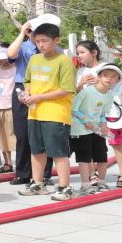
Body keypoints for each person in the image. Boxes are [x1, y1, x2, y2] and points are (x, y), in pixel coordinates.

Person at [17, 20, 77, 200]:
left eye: (44, 41)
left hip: (56, 114)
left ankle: (65, 187)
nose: (41, 45)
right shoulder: (34, 59)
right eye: (37, 41)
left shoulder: (64, 61)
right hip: (34, 113)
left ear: (56, 40)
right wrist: (26, 93)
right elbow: (27, 80)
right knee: (36, 150)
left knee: (58, 152)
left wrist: (39, 97)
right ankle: (37, 183)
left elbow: (67, 89)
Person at [78, 42, 122, 187]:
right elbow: (78, 92)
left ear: (94, 53)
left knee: (116, 142)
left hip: (112, 114)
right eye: (78, 53)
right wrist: (82, 83)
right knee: (90, 145)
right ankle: (93, 174)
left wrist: (102, 82)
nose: (79, 55)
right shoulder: (81, 72)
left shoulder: (108, 66)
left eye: (82, 52)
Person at [70, 64, 122, 194]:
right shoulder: (87, 91)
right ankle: (85, 184)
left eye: (113, 77)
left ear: (117, 80)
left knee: (102, 155)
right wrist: (85, 120)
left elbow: (103, 113)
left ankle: (101, 182)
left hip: (97, 129)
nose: (109, 78)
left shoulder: (109, 96)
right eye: (105, 75)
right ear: (98, 77)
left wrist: (103, 123)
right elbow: (73, 109)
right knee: (84, 157)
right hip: (81, 129)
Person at [5, 18, 43, 184]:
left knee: (42, 132)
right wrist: (22, 33)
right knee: (22, 133)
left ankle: (44, 174)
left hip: (43, 89)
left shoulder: (52, 49)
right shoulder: (23, 46)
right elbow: (10, 54)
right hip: (22, 88)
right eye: (34, 32)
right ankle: (23, 173)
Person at [0, 51, 17, 174]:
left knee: (15, 135)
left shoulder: (16, 69)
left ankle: (23, 162)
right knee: (1, 136)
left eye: (0, 58)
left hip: (11, 106)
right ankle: (8, 163)